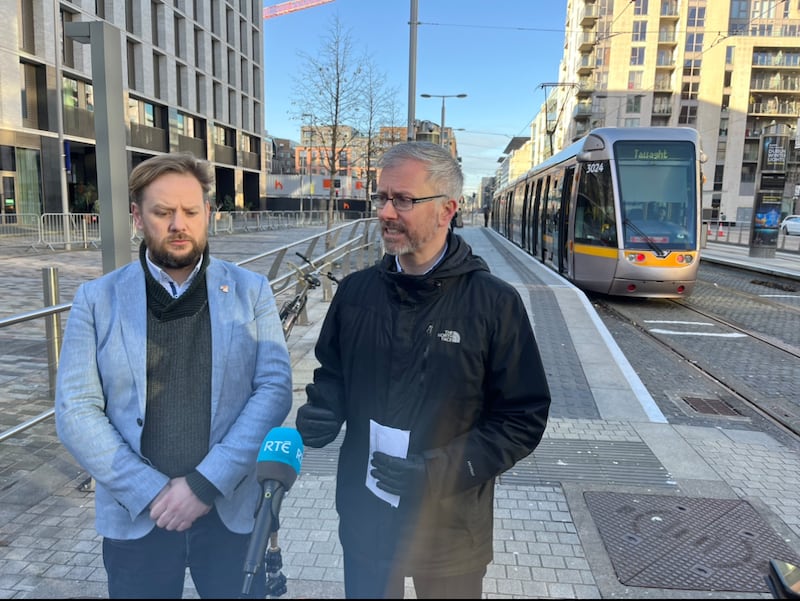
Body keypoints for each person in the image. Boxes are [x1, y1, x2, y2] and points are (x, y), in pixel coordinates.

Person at [295, 141, 552, 599]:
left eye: (404, 200)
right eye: (381, 197)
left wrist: (437, 473)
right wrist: (324, 409)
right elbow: (332, 374)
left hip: (450, 528)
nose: (386, 212)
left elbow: (522, 417)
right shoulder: (355, 294)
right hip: (366, 519)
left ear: (448, 210)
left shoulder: (494, 305)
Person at [55, 152, 293, 599]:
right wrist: (151, 492)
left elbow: (274, 390)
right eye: (162, 212)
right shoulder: (96, 300)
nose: (178, 224)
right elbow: (76, 410)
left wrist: (205, 484)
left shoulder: (251, 290)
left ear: (208, 214)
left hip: (230, 510)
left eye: (190, 211)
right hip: (138, 516)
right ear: (138, 217)